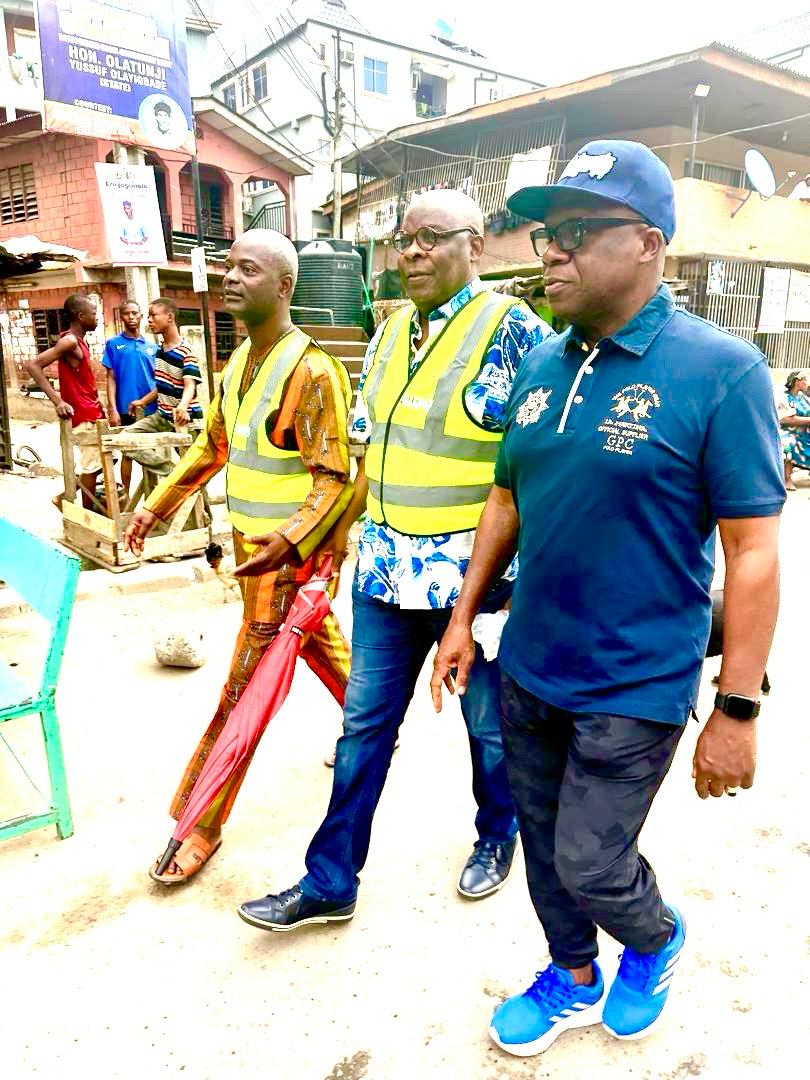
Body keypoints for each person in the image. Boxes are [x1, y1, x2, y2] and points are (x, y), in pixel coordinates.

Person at [431, 140, 784, 1056]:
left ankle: (657, 940)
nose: (553, 252)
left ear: (651, 245)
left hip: (636, 680)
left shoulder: (722, 372)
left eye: (581, 233)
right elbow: (506, 495)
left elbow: (751, 553)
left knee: (591, 859)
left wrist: (738, 708)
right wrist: (465, 618)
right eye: (550, 234)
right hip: (533, 666)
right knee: (545, 851)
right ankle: (572, 976)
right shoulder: (544, 366)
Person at [237, 188, 552, 934]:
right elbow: (364, 458)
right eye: (402, 240)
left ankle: (495, 834)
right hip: (384, 575)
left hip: (473, 585)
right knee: (363, 729)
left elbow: (536, 470)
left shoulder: (516, 333)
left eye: (430, 237)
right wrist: (326, 546)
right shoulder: (385, 337)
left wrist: (505, 591)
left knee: (488, 726)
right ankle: (330, 880)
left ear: (475, 245)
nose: (410, 252)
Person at [124, 230, 355, 884]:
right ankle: (371, 721)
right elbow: (210, 450)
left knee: (241, 694)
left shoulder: (311, 370)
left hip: (283, 561)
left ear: (283, 287)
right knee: (316, 644)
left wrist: (292, 541)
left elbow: (333, 475)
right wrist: (156, 507)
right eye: (228, 266)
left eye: (247, 269)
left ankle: (201, 822)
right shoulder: (234, 369)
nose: (229, 278)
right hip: (252, 557)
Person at [24, 294, 105, 510]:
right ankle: (89, 514)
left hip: (92, 410)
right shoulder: (69, 341)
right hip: (82, 414)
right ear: (81, 316)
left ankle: (64, 498)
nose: (97, 318)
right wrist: (58, 401)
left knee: (107, 460)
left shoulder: (79, 341)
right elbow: (34, 366)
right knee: (92, 466)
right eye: (94, 314)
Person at [122, 298, 203, 480]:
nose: (149, 320)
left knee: (194, 474)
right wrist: (143, 401)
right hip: (162, 416)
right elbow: (163, 385)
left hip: (185, 419)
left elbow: (190, 384)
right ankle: (173, 473)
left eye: (153, 315)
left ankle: (195, 497)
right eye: (149, 316)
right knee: (126, 438)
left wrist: (182, 406)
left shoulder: (185, 351)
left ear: (170, 317)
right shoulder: (160, 350)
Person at [102, 300, 158, 494]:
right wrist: (112, 408)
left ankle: (152, 497)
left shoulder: (152, 347)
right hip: (126, 407)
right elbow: (111, 377)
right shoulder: (113, 344)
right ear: (121, 317)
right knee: (127, 453)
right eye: (127, 313)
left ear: (141, 316)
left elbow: (158, 380)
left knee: (153, 452)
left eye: (135, 313)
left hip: (151, 409)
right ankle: (126, 496)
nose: (131, 317)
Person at [778, 370, 810, 490]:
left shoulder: (803, 398)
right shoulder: (784, 397)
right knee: (788, 444)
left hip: (805, 432)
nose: (807, 383)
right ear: (797, 381)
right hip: (789, 432)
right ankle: (787, 478)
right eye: (805, 380)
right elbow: (786, 420)